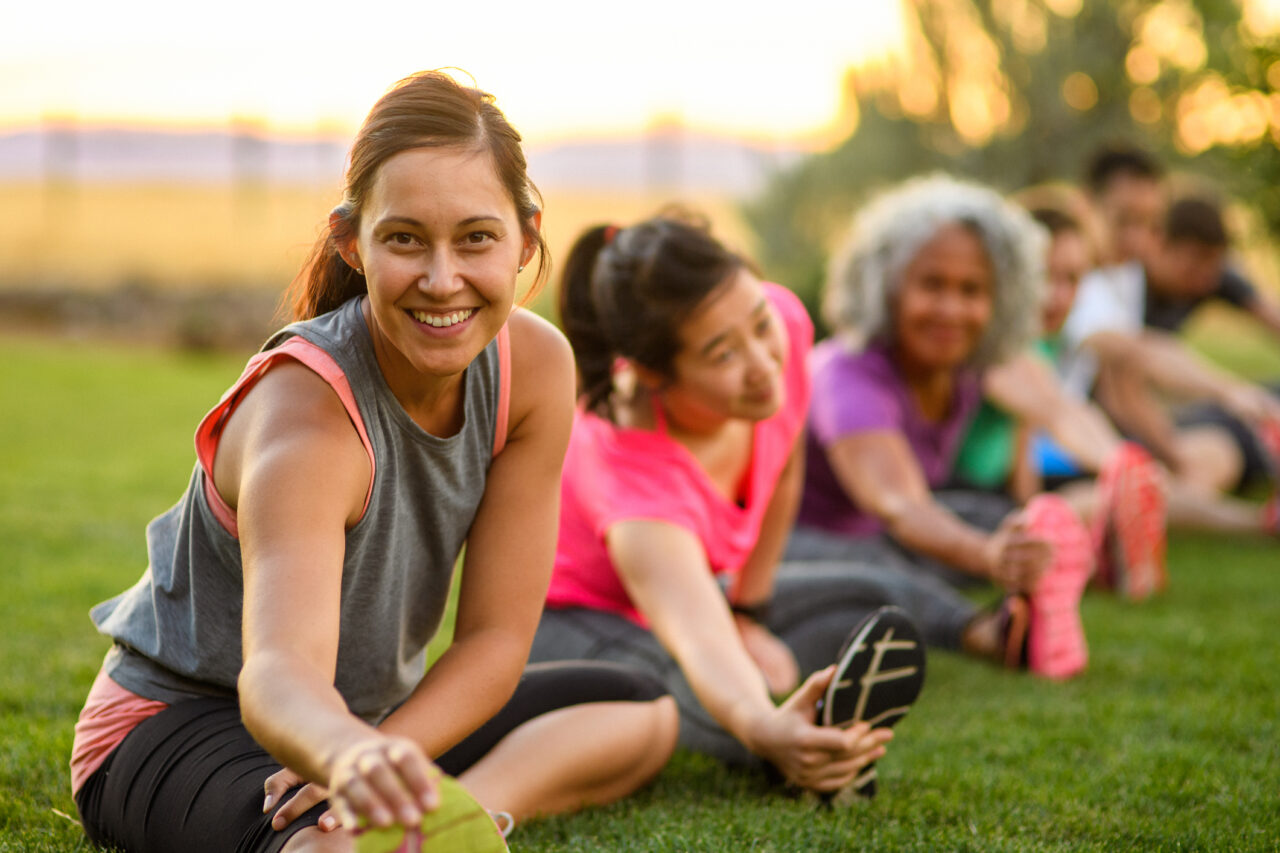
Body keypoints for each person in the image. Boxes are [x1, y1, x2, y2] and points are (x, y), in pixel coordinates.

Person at [69, 71, 678, 853]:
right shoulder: (309, 416)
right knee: (332, 849)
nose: (442, 278)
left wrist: (386, 757)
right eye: (405, 238)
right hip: (183, 721)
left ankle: (446, 818)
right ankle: (392, 823)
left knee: (640, 709)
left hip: (362, 726)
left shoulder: (536, 369)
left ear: (526, 236)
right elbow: (278, 677)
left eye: (476, 238)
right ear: (351, 240)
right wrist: (350, 753)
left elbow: (494, 640)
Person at [528, 213, 926, 801]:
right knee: (663, 692)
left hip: (708, 591)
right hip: (579, 620)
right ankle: (789, 743)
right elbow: (696, 634)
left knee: (872, 592)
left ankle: (985, 631)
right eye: (722, 355)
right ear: (652, 374)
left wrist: (749, 613)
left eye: (759, 325)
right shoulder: (628, 472)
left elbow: (784, 466)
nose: (766, 366)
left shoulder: (783, 323)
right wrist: (762, 723)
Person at [787, 174, 1094, 680]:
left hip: (886, 531)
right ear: (886, 287)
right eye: (931, 285)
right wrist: (988, 556)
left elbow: (1048, 413)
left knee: (991, 514)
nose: (952, 309)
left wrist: (1021, 532)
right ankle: (988, 631)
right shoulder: (847, 374)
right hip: (799, 541)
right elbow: (901, 505)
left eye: (972, 290)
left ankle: (1065, 577)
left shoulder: (967, 367)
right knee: (880, 569)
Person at [951, 197, 1168, 599]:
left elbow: (1026, 446)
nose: (1057, 295)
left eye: (1071, 279)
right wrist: (1117, 468)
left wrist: (1121, 472)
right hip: (951, 493)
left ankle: (1092, 542)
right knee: (1062, 519)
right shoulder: (991, 344)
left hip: (993, 493)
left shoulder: (1041, 344)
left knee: (1065, 511)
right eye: (1044, 277)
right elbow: (1054, 410)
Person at [1061, 194, 1280, 529]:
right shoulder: (1100, 288)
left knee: (1214, 453)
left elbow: (1128, 384)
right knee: (1150, 478)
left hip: (1124, 435)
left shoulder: (1122, 286)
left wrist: (1174, 454)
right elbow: (1141, 355)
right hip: (1086, 441)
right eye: (1125, 223)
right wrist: (1229, 390)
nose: (1205, 278)